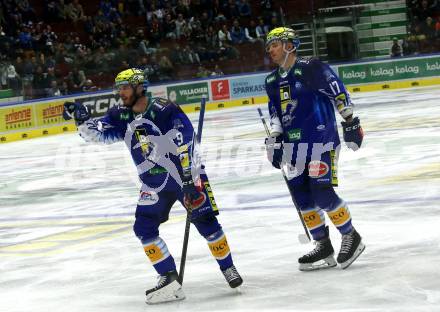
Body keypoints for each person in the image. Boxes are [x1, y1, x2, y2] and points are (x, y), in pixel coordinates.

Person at [63, 68, 242, 304]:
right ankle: (168, 276)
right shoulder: (120, 115)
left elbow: (187, 143)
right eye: (119, 88)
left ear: (139, 87)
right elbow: (96, 135)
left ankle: (228, 268)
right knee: (144, 229)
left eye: (125, 87)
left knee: (206, 223)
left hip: (183, 176)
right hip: (153, 183)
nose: (121, 92)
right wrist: (81, 118)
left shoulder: (164, 109)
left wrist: (189, 180)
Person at [263, 27, 365, 271]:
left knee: (322, 191)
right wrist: (275, 138)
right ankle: (323, 245)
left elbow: (337, 90)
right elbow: (275, 112)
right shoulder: (271, 80)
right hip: (293, 146)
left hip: (321, 140)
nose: (270, 50)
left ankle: (352, 236)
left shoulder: (311, 67)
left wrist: (350, 120)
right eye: (269, 46)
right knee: (302, 196)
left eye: (275, 44)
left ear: (289, 45)